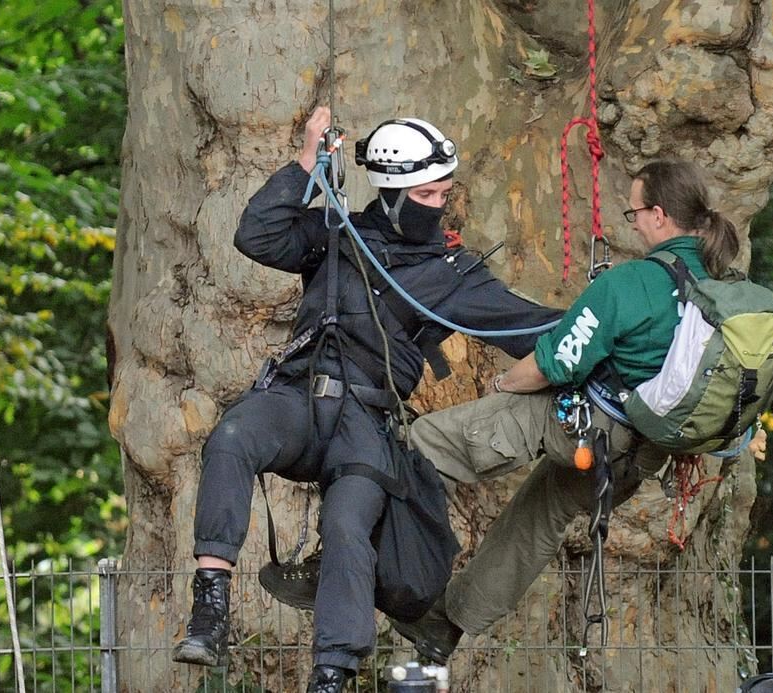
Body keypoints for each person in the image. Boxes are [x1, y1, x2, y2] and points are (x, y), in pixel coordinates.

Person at [170, 106, 561, 693]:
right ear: (396, 195)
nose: (441, 205)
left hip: (366, 422)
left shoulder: (451, 273)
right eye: (430, 194)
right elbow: (257, 234)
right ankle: (210, 606)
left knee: (349, 526)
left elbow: (529, 326)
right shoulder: (335, 234)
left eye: (444, 193)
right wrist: (307, 161)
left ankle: (334, 673)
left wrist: (616, 324)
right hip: (298, 402)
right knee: (232, 435)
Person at [393, 159, 752, 664]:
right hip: (640, 458)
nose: (631, 225)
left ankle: (367, 568)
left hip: (585, 430)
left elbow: (553, 363)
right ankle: (444, 627)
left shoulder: (634, 283)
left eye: (632, 214)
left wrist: (502, 383)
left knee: (419, 443)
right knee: (539, 517)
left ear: (657, 215)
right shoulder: (720, 287)